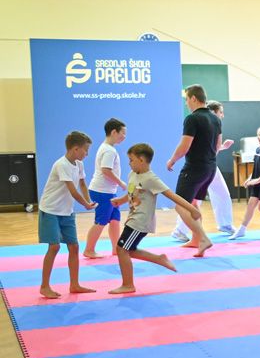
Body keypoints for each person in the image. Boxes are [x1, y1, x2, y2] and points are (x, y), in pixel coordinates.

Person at [108, 144, 199, 295]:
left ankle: (128, 284)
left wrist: (192, 209)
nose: (129, 163)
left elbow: (172, 195)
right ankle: (159, 259)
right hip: (132, 218)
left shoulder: (151, 179)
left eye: (131, 160)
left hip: (141, 221)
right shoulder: (132, 174)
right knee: (128, 250)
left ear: (141, 160)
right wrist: (121, 200)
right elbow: (131, 192)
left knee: (121, 249)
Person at [37, 131, 97, 299]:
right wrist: (85, 204)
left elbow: (82, 184)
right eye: (86, 150)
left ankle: (74, 284)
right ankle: (44, 286)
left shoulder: (79, 164)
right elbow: (72, 191)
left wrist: (89, 200)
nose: (87, 154)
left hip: (67, 212)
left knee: (74, 247)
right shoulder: (61, 164)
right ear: (75, 149)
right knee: (54, 246)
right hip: (50, 210)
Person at [171, 100, 235, 240]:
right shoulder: (201, 121)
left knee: (222, 193)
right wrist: (172, 160)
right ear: (213, 112)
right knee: (192, 201)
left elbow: (211, 148)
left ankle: (225, 224)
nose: (222, 115)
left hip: (210, 165)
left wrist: (222, 147)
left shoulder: (213, 123)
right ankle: (180, 230)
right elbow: (199, 146)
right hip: (200, 166)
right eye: (221, 112)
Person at [164, 84, 216, 256]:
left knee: (180, 206)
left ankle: (203, 238)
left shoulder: (192, 119)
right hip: (210, 168)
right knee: (193, 204)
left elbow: (185, 145)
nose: (186, 103)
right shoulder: (215, 118)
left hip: (194, 168)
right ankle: (196, 240)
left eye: (186, 99)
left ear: (193, 98)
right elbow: (217, 145)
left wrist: (172, 160)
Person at [82, 118, 127, 259]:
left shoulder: (108, 148)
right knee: (101, 220)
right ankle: (89, 249)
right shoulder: (109, 150)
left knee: (115, 219)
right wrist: (121, 183)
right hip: (102, 191)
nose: (124, 136)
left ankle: (116, 249)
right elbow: (106, 170)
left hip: (108, 191)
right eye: (123, 133)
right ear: (114, 132)